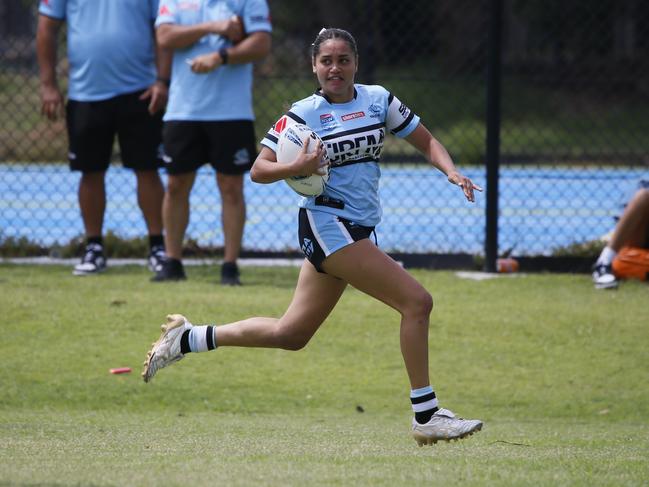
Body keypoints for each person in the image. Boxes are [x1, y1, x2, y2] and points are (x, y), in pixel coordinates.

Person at [142, 28, 483, 446]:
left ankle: (190, 338)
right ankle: (426, 415)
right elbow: (259, 169)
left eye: (343, 60)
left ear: (356, 63)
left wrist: (450, 171)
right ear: (314, 66)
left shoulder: (379, 100)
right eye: (326, 61)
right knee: (417, 302)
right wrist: (296, 166)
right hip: (328, 227)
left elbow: (426, 141)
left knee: (291, 334)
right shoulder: (303, 113)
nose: (334, 68)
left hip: (357, 228)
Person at [37, 0, 171, 276]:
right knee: (90, 171)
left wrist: (162, 80)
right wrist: (48, 84)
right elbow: (46, 28)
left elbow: (162, 28)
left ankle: (158, 247)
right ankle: (94, 247)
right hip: (86, 93)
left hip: (141, 91)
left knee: (147, 169)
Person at [151, 0, 272, 285]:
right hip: (183, 109)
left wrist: (220, 56)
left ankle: (230, 266)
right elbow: (165, 37)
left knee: (231, 188)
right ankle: (172, 262)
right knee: (176, 184)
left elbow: (261, 43)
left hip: (232, 110)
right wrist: (213, 27)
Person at [592, 180, 649, 289]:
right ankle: (603, 264)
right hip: (637, 245)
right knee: (644, 196)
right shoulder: (643, 184)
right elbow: (624, 225)